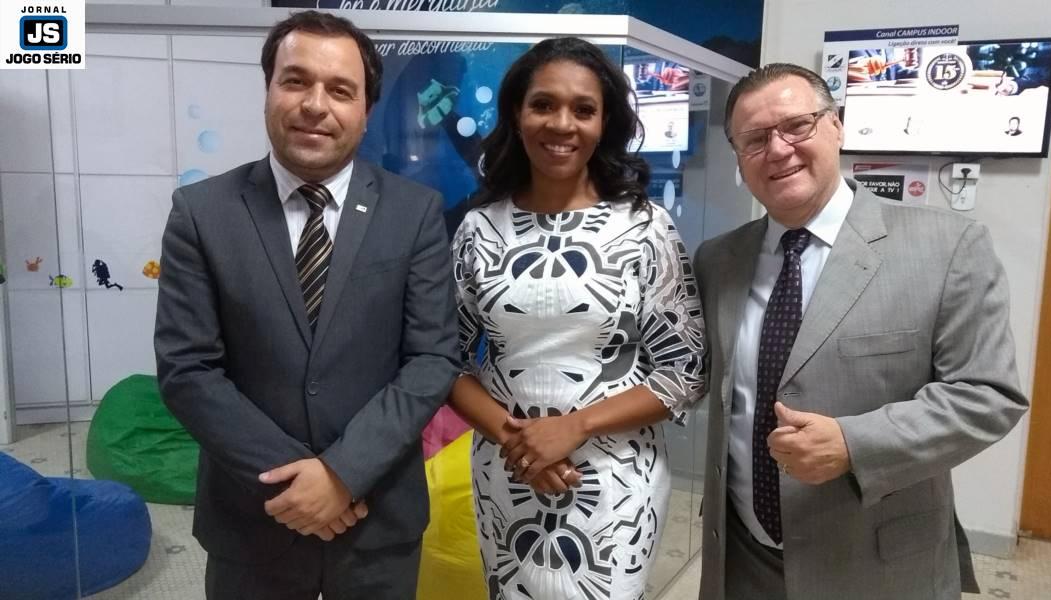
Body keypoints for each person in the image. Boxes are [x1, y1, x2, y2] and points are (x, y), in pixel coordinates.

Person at [693, 63, 1028, 600]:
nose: (777, 149)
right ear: (738, 156)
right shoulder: (717, 260)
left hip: (875, 564)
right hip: (741, 558)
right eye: (754, 139)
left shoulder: (947, 248)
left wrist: (854, 444)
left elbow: (987, 396)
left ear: (836, 125)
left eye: (796, 126)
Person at [154, 11, 459, 600]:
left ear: (366, 110)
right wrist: (300, 483)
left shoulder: (415, 212)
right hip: (253, 515)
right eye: (295, 81)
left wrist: (343, 474)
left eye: (341, 90)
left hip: (377, 515)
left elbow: (431, 359)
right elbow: (188, 370)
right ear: (268, 89)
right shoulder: (202, 213)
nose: (315, 105)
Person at [448, 37, 706, 600]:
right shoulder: (478, 228)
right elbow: (445, 360)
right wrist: (518, 441)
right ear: (517, 114)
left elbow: (685, 372)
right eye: (543, 104)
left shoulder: (644, 226)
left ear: (604, 122)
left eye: (583, 109)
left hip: (615, 481)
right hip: (506, 470)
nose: (562, 124)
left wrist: (574, 426)